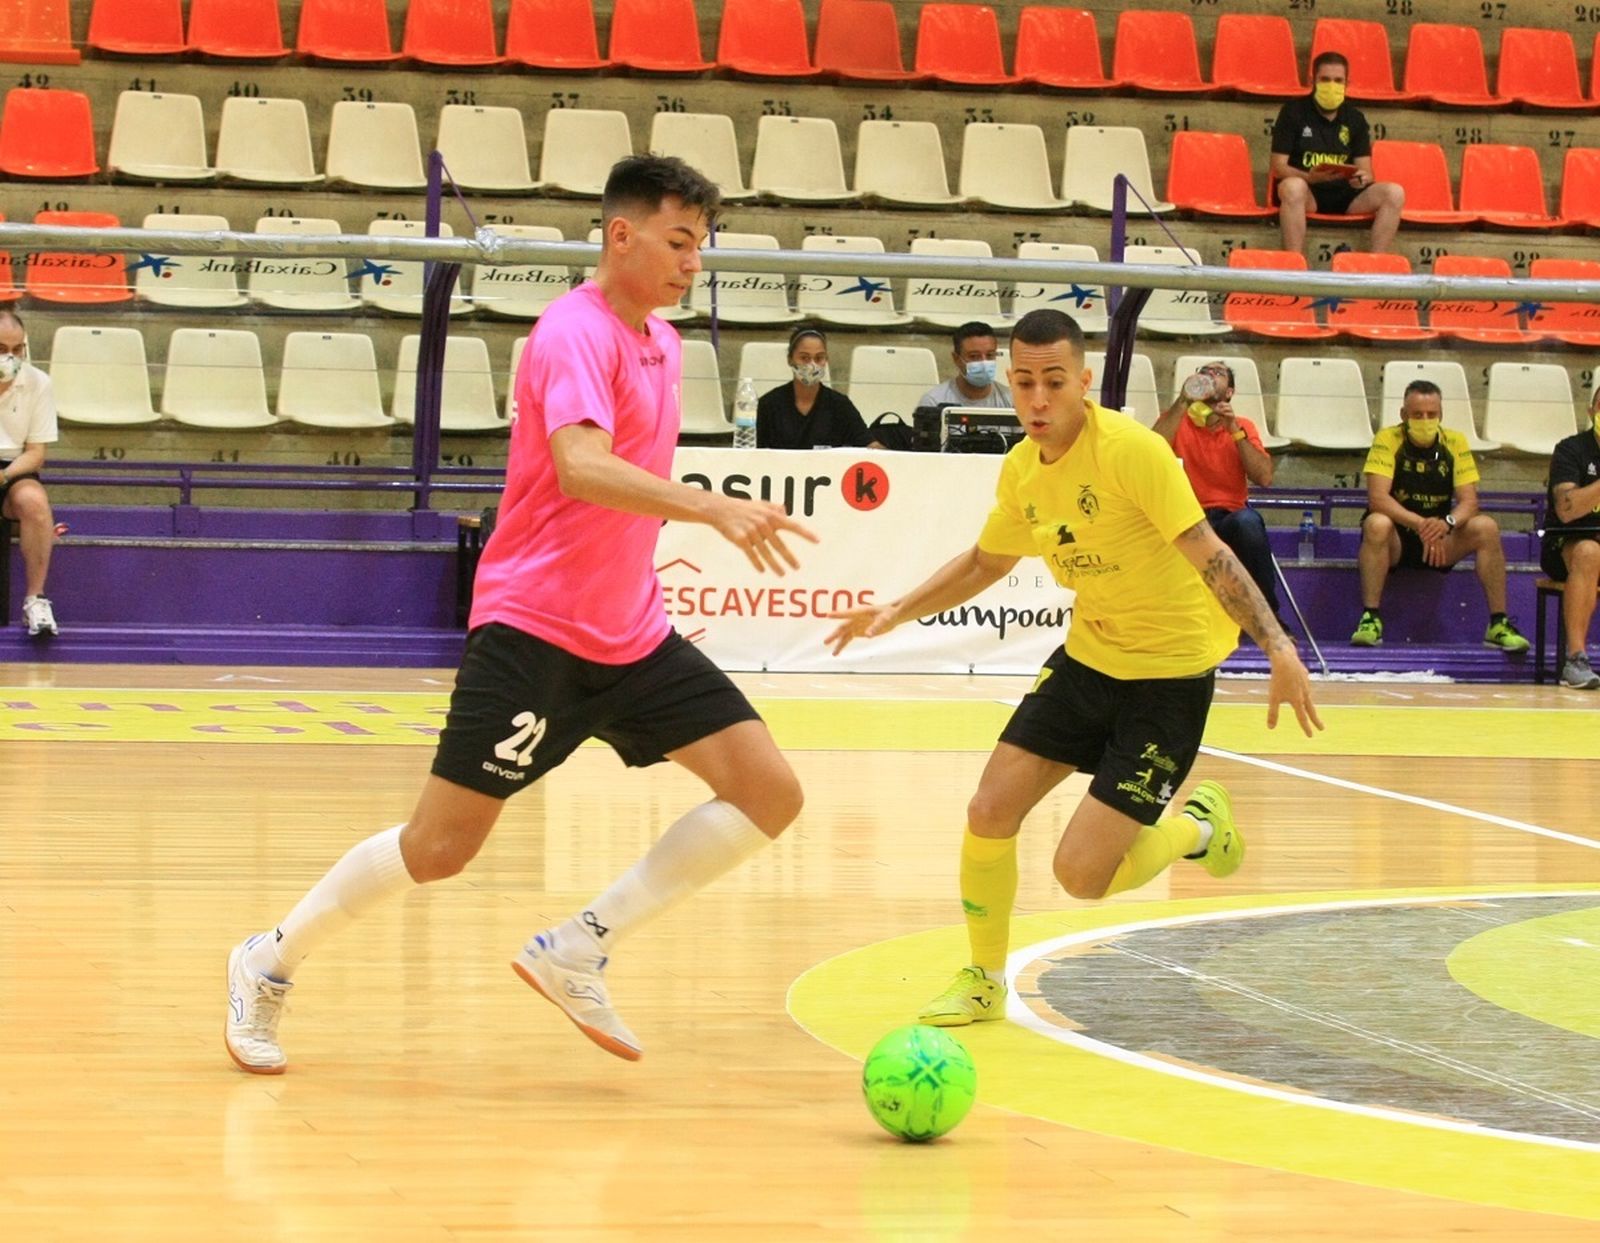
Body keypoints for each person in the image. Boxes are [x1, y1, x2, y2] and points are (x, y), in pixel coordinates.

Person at [225, 155, 819, 1074]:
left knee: (768, 791)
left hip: (632, 632)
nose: (692, 263)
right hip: (535, 630)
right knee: (438, 848)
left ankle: (578, 946)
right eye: (677, 241)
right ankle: (268, 960)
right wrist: (711, 505)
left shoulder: (658, 342)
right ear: (620, 235)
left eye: (700, 245)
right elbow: (581, 466)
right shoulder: (570, 333)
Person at [826, 308, 1322, 1028]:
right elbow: (987, 562)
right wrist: (897, 609)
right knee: (988, 809)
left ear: (1083, 382)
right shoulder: (1022, 469)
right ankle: (983, 979)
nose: (1036, 398)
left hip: (1171, 677)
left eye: (1053, 381)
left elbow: (1210, 550)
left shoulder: (1130, 452)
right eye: (1022, 381)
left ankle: (1197, 831)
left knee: (1081, 875)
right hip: (1090, 659)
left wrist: (1278, 646)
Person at [1350, 379, 1529, 653]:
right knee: (1376, 523)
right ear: (1403, 415)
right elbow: (1377, 499)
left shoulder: (1455, 441)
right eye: (1417, 415)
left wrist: (1447, 523)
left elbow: (1470, 502)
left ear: (1440, 415)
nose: (1425, 420)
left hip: (1439, 541)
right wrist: (1420, 523)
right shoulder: (1387, 439)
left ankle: (1498, 623)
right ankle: (1370, 619)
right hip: (1399, 539)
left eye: (1431, 415)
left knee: (1486, 527)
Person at [1152, 361, 1280, 622]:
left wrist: (1233, 430)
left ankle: (1267, 616)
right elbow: (1151, 454)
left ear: (1230, 392)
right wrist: (1183, 401)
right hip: (1186, 516)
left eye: (1218, 373)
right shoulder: (1174, 419)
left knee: (1248, 522)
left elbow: (1264, 476)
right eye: (1204, 371)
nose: (1209, 374)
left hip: (1228, 517)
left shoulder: (1243, 425)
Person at [1270, 50, 1404, 256]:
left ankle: (1376, 264)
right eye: (1325, 79)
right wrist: (1309, 178)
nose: (1332, 85)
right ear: (1312, 80)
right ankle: (1294, 263)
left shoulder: (1355, 118)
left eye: (1338, 80)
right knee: (1292, 187)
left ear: (1346, 83)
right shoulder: (1292, 112)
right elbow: (1278, 167)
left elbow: (1366, 171)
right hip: (1309, 195)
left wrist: (1361, 179)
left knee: (1394, 193)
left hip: (1346, 196)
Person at [0, 310, 60, 637]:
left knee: (35, 503)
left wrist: (4, 476)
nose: (9, 357)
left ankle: (35, 600)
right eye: (0, 348)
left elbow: (36, 454)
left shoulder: (38, 382)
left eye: (16, 349)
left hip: (12, 468)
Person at [1541, 390, 1600, 690]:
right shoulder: (1570, 450)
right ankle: (1575, 660)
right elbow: (1567, 510)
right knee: (1590, 553)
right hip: (1568, 543)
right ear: (1591, 412)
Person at [756, 325, 878, 450]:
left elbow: (869, 445)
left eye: (819, 358)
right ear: (790, 360)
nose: (812, 365)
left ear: (826, 360)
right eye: (804, 358)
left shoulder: (840, 405)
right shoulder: (769, 404)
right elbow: (752, 452)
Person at [917, 321, 1011, 411]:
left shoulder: (1012, 401)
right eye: (974, 356)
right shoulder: (933, 402)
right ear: (956, 359)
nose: (984, 362)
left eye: (990, 355)